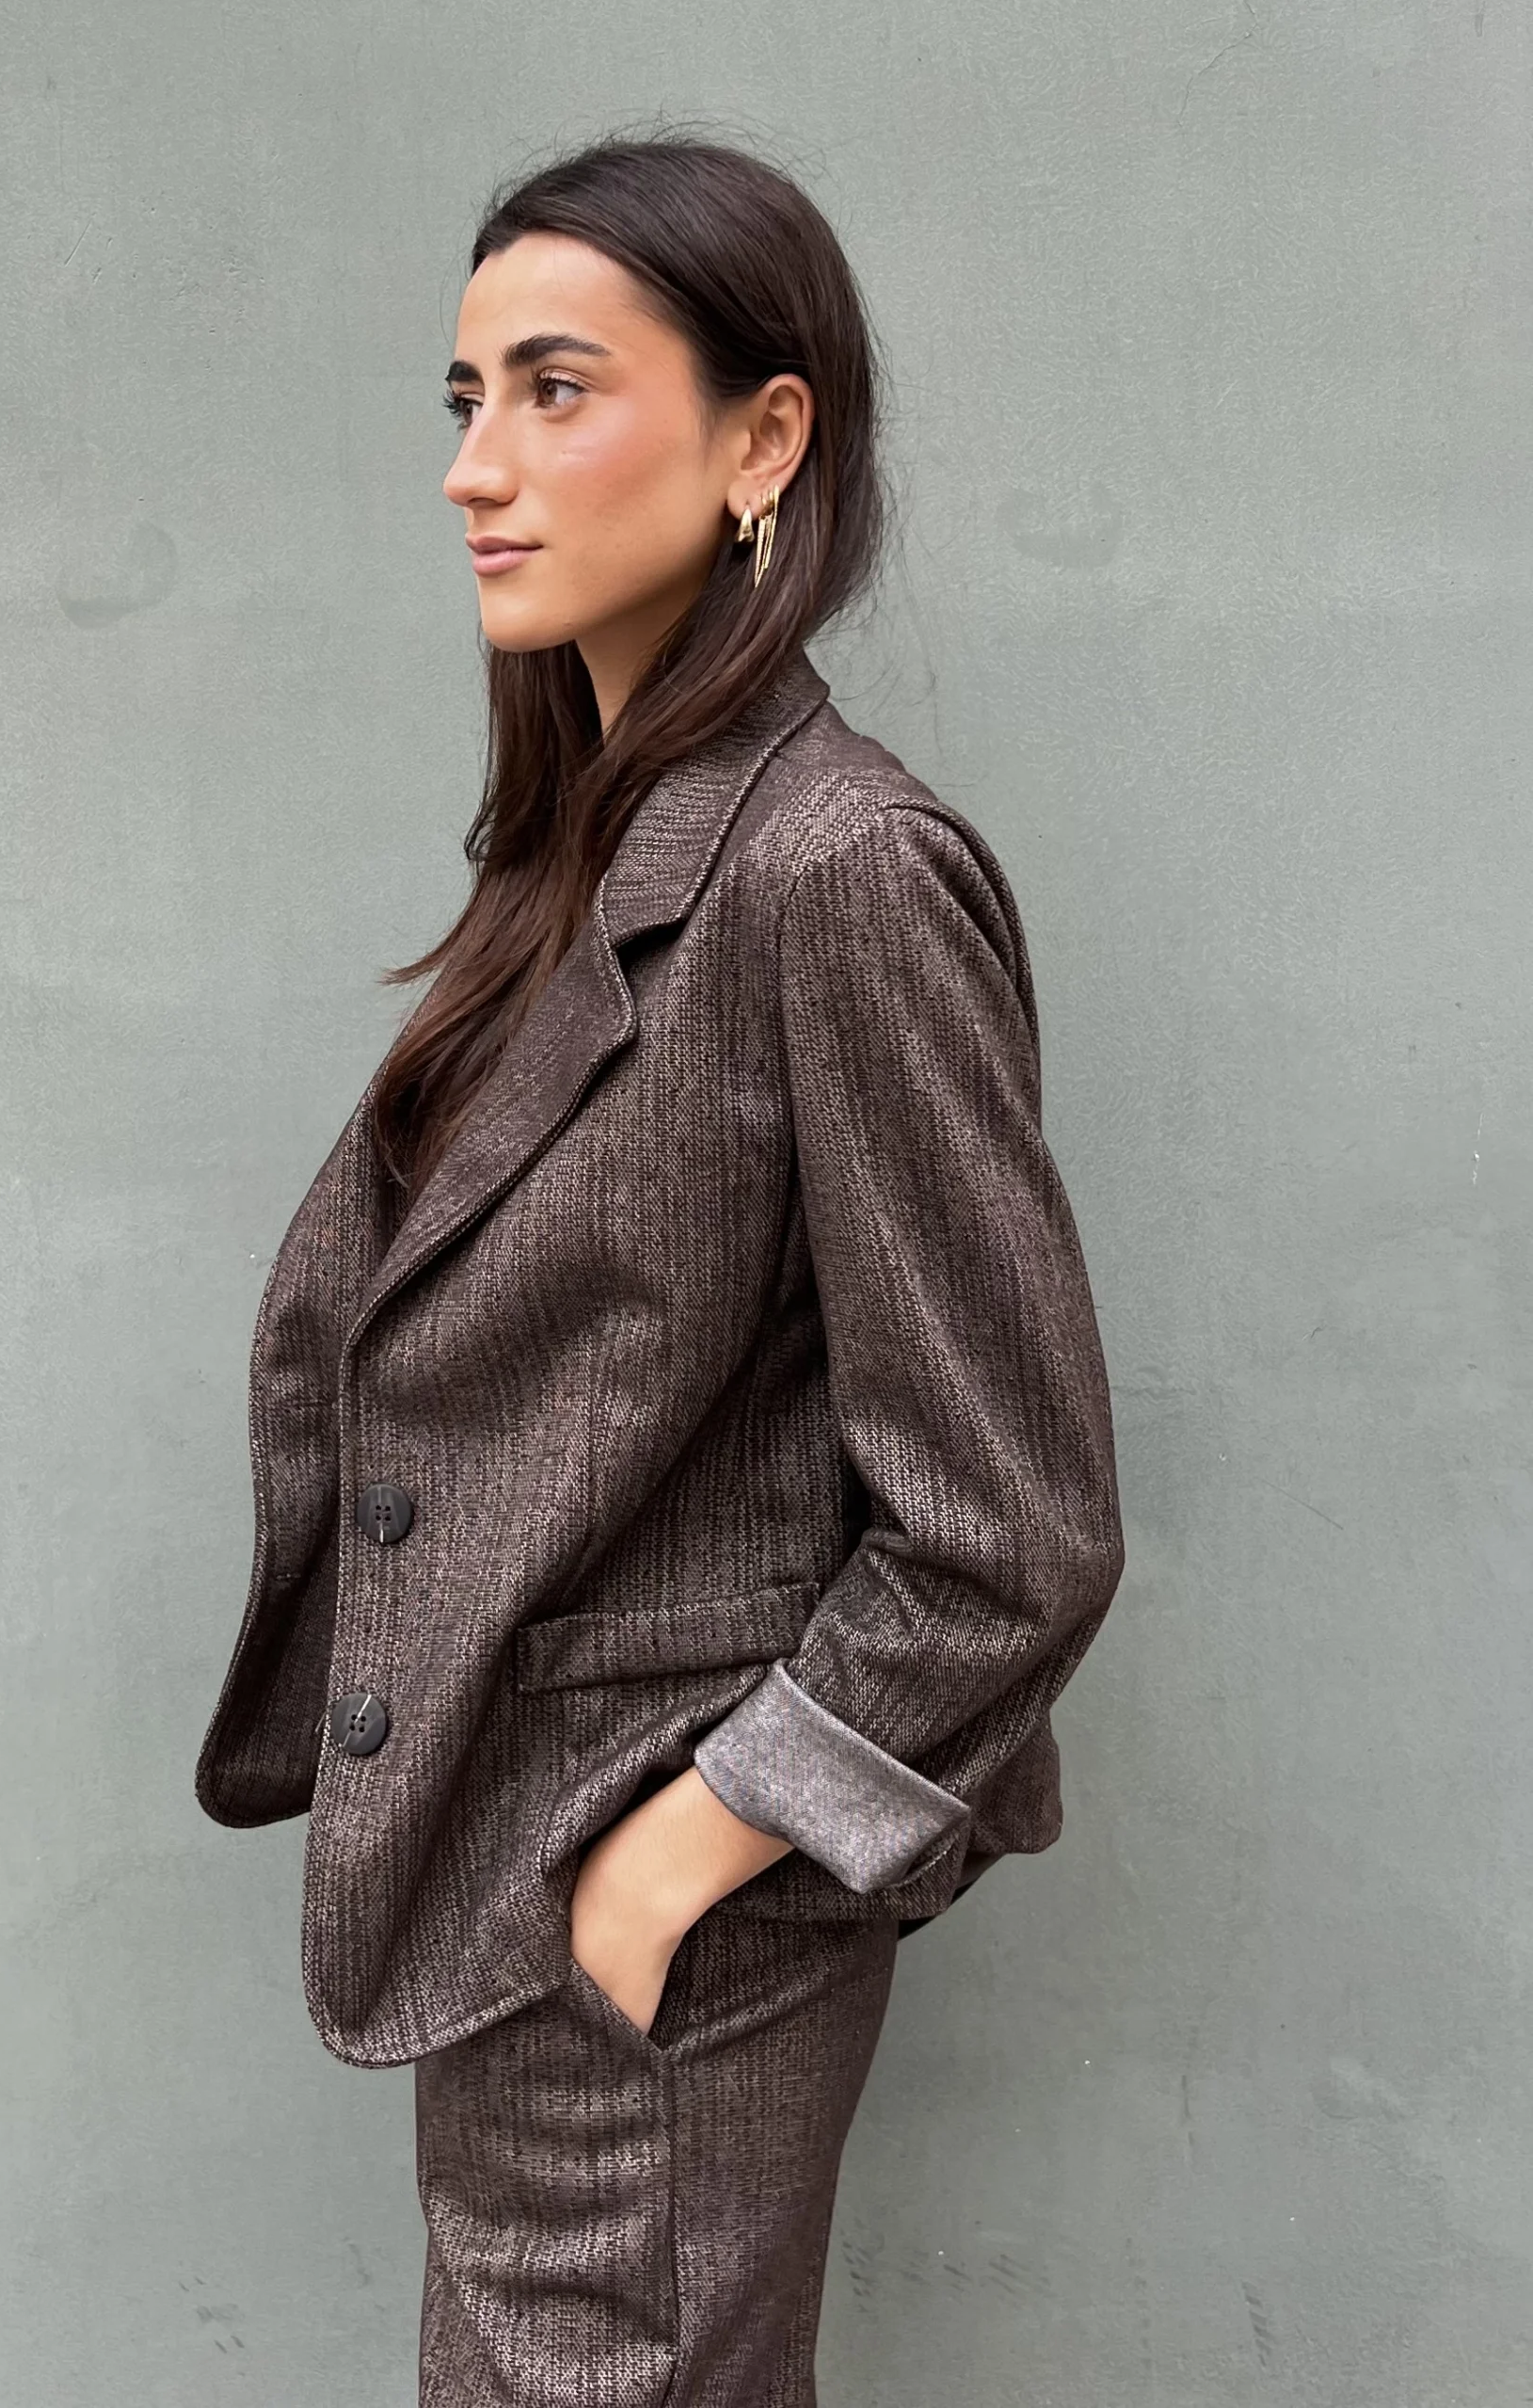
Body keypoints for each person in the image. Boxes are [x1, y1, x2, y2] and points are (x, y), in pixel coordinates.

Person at [194, 133, 1126, 2407]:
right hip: (522, 1906)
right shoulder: (593, 860)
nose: (474, 467)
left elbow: (1008, 1524)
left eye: (555, 388)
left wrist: (675, 1858)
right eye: (464, 400)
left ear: (762, 441)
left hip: (648, 1943)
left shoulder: (838, 869)